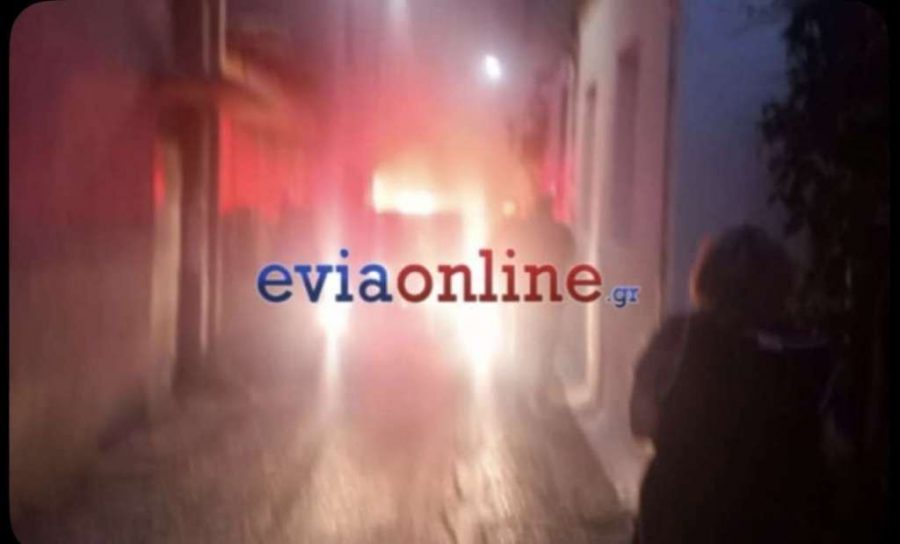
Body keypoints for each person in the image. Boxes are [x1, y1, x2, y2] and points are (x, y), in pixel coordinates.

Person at [631, 225, 833, 544]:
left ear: (707, 277)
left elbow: (640, 423)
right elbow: (834, 447)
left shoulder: (679, 337)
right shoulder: (810, 351)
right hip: (781, 522)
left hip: (682, 518)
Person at [497, 195, 575, 414]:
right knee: (545, 350)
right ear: (550, 210)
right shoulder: (560, 232)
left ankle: (519, 397)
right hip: (550, 300)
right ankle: (538, 395)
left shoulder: (521, 230)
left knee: (523, 347)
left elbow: (504, 254)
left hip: (524, 298)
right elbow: (571, 253)